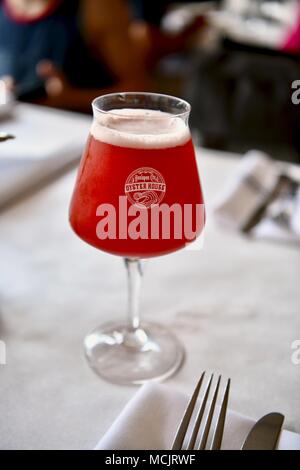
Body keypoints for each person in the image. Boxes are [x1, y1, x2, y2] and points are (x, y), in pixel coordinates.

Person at [0, 0, 147, 112]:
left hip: (81, 137)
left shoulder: (97, 7)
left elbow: (138, 93)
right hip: (19, 130)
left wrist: (71, 98)